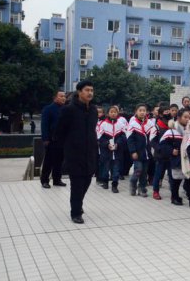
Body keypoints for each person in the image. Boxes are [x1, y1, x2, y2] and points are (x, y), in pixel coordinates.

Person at [53, 80, 98, 224]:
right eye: (87, 90)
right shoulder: (69, 110)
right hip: (74, 154)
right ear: (79, 92)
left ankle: (78, 204)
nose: (90, 93)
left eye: (91, 90)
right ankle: (76, 212)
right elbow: (59, 132)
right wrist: (65, 150)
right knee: (77, 183)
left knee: (87, 181)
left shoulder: (93, 110)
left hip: (90, 152)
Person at [161, 108, 190, 207]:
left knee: (189, 179)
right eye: (185, 117)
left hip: (188, 159)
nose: (187, 119)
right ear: (178, 118)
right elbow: (162, 145)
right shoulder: (172, 131)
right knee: (176, 180)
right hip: (177, 159)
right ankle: (175, 197)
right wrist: (171, 150)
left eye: (189, 117)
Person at [96, 106, 127, 193]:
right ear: (108, 113)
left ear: (118, 113)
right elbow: (99, 138)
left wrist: (118, 144)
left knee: (116, 169)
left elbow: (124, 136)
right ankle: (105, 182)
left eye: (115, 112)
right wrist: (107, 144)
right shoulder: (103, 124)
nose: (113, 113)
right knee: (105, 169)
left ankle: (115, 185)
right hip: (106, 152)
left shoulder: (121, 124)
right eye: (111, 112)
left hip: (117, 151)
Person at [126, 104, 154, 197]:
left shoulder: (150, 123)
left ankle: (142, 188)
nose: (142, 112)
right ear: (136, 112)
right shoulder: (133, 124)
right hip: (137, 153)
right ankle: (133, 183)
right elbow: (130, 140)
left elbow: (153, 137)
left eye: (144, 110)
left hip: (147, 153)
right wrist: (133, 151)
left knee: (144, 172)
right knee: (138, 169)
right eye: (140, 110)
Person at [40, 90, 67, 188]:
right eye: (61, 96)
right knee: (48, 161)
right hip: (51, 140)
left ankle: (57, 179)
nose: (64, 98)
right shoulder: (48, 109)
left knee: (59, 161)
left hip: (62, 140)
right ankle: (44, 180)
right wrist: (45, 139)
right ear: (55, 98)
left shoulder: (66, 109)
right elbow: (44, 125)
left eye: (64, 96)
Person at [150, 106, 171, 200]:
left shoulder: (172, 125)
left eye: (169, 111)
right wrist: (160, 149)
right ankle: (155, 191)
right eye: (166, 112)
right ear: (161, 114)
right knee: (158, 174)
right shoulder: (156, 127)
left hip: (171, 155)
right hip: (160, 155)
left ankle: (174, 193)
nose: (168, 113)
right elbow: (152, 141)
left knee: (172, 175)